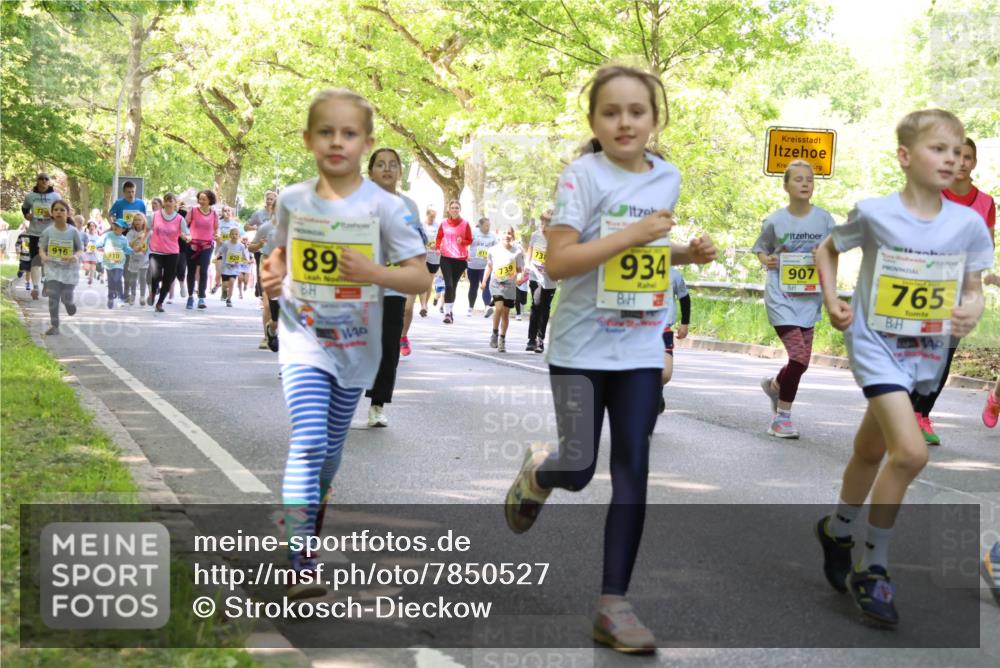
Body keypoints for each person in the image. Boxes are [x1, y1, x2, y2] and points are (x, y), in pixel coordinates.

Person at [503, 64, 717, 652]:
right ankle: (539, 473)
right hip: (578, 345)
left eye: (637, 111)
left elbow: (643, 254)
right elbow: (562, 262)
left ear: (655, 118)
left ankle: (613, 606)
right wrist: (638, 233)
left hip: (641, 346)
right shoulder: (582, 176)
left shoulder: (666, 176)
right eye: (611, 112)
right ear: (594, 120)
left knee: (633, 470)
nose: (625, 121)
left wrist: (685, 256)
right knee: (576, 467)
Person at [813, 109, 992, 627]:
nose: (952, 159)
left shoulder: (969, 223)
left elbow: (974, 288)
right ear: (905, 156)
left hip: (927, 354)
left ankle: (838, 528)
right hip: (874, 345)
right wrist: (832, 301)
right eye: (939, 149)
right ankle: (874, 568)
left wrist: (972, 311)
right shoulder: (874, 213)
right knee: (909, 453)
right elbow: (828, 250)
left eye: (957, 152)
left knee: (871, 449)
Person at [259, 88, 428, 598]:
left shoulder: (386, 208)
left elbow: (420, 278)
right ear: (309, 140)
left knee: (330, 455)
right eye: (326, 132)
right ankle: (301, 560)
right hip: (304, 337)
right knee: (308, 441)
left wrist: (373, 271)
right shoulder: (292, 199)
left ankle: (309, 513)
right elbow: (279, 254)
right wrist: (272, 276)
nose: (337, 142)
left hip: (358, 346)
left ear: (366, 143)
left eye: (349, 133)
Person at [909, 137, 997, 445]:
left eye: (968, 157)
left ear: (974, 163)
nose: (961, 162)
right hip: (926, 283)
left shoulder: (985, 202)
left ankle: (922, 414)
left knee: (945, 354)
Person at [752, 159, 835, 438]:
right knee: (798, 357)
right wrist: (769, 260)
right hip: (781, 296)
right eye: (798, 179)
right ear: (786, 185)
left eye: (809, 179)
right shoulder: (775, 220)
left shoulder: (824, 219)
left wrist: (823, 254)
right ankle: (782, 419)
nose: (805, 183)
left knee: (802, 362)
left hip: (809, 298)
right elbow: (761, 250)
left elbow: (835, 251)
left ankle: (776, 385)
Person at [365, 147, 424, 427]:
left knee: (388, 347)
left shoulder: (409, 206)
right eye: (380, 164)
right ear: (370, 172)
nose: (387, 169)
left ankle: (378, 404)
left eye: (393, 164)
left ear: (400, 171)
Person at [37, 200, 81, 335]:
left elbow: (80, 249)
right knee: (53, 296)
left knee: (65, 297)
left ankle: (69, 304)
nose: (58, 212)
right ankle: (54, 325)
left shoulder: (73, 231)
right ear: (51, 213)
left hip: (69, 271)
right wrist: (43, 256)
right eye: (56, 210)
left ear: (67, 214)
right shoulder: (48, 231)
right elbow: (41, 248)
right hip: (53, 270)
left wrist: (75, 257)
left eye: (62, 210)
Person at [148, 193, 191, 312]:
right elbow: (147, 229)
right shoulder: (155, 216)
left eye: (170, 201)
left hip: (172, 252)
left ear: (175, 203)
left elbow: (187, 234)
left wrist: (187, 238)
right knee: (155, 276)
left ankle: (160, 303)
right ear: (163, 203)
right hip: (156, 250)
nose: (168, 203)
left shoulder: (179, 219)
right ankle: (153, 292)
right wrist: (142, 240)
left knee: (168, 278)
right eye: (166, 201)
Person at [21, 172, 60, 300]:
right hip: (34, 233)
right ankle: (36, 287)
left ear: (49, 181)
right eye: (41, 179)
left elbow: (62, 211)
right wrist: (27, 215)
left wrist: (54, 214)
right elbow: (25, 208)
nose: (43, 181)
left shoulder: (55, 196)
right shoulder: (30, 196)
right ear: (37, 181)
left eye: (46, 179)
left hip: (51, 233)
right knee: (35, 261)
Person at [485, 224, 524, 353]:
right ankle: (494, 333)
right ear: (499, 235)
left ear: (512, 235)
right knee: (499, 308)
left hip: (510, 286)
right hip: (496, 284)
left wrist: (519, 276)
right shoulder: (493, 250)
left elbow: (520, 269)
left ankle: (502, 339)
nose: (507, 236)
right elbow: (489, 266)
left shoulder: (517, 252)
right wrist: (484, 281)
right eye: (504, 233)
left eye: (509, 233)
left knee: (506, 314)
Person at [658, 267, 691, 414]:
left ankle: (656, 390)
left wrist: (684, 323)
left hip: (663, 329)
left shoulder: (673, 274)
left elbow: (684, 298)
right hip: (637, 329)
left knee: (665, 374)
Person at [435, 200, 472, 323]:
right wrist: (437, 247)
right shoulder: (444, 223)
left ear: (460, 209)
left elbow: (470, 240)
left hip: (460, 259)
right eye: (452, 207)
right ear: (449, 210)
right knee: (449, 285)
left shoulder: (465, 224)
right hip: (445, 257)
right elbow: (439, 237)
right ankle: (446, 313)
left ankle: (450, 311)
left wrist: (463, 241)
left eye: (457, 208)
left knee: (454, 286)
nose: (455, 209)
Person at [526, 210, 557, 352]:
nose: (544, 224)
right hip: (535, 275)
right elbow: (530, 252)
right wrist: (527, 266)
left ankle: (540, 340)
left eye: (548, 222)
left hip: (550, 278)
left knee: (545, 309)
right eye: (543, 221)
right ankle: (532, 339)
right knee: (536, 304)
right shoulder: (535, 235)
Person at [184, 190, 219, 309]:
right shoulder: (193, 211)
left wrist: (217, 236)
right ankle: (190, 296)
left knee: (204, 270)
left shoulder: (214, 214)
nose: (201, 201)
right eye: (200, 199)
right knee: (191, 271)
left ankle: (202, 297)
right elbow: (184, 225)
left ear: (210, 200)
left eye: (204, 199)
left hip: (206, 246)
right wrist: (187, 236)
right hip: (192, 245)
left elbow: (216, 230)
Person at [248, 191, 277, 304]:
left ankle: (263, 293)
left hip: (280, 259)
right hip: (263, 250)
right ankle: (262, 296)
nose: (269, 201)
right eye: (268, 199)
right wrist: (256, 229)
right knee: (263, 277)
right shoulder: (259, 215)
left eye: (272, 199)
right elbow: (247, 226)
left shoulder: (289, 224)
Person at [97, 219, 133, 309]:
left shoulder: (124, 239)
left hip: (119, 263)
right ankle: (110, 298)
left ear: (123, 229)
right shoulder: (107, 235)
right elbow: (98, 243)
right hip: (108, 263)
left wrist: (134, 251)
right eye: (115, 225)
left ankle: (120, 298)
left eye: (119, 226)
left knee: (117, 279)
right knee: (111, 281)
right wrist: (99, 247)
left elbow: (126, 249)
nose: (116, 227)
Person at [466, 217, 495, 316]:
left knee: (485, 285)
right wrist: (467, 254)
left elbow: (496, 249)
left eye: (489, 226)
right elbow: (466, 243)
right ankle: (470, 307)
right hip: (472, 265)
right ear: (481, 225)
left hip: (485, 266)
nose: (488, 228)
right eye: (486, 225)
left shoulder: (492, 236)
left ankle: (487, 307)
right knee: (473, 286)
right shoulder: (474, 232)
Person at [213, 204, 243, 296]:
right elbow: (215, 235)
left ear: (232, 212)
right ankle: (218, 284)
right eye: (225, 210)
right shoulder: (219, 223)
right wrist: (218, 238)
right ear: (222, 212)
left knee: (229, 273)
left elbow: (241, 237)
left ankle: (225, 290)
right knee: (219, 272)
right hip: (220, 250)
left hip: (232, 253)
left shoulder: (236, 224)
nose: (227, 212)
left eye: (228, 210)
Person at [216, 227, 248, 307]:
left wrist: (244, 260)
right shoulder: (226, 244)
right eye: (233, 234)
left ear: (239, 236)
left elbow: (244, 256)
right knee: (225, 284)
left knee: (232, 283)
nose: (234, 236)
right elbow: (220, 251)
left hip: (235, 268)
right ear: (230, 235)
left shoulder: (241, 246)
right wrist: (216, 257)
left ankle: (229, 299)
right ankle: (224, 291)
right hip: (226, 267)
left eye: (236, 234)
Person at [124, 213, 151, 306]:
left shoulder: (148, 233)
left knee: (143, 278)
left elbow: (149, 246)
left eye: (140, 220)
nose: (137, 222)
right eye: (135, 220)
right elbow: (128, 245)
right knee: (133, 278)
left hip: (144, 258)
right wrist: (137, 238)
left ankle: (142, 296)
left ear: (144, 221)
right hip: (133, 258)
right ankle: (133, 295)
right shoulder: (130, 233)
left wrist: (144, 249)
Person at [418, 206, 440, 317]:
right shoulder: (421, 225)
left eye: (434, 216)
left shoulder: (438, 226)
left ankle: (425, 304)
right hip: (422, 255)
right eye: (431, 216)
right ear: (427, 215)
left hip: (434, 257)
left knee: (429, 282)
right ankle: (422, 306)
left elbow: (441, 239)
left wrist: (439, 247)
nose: (433, 218)